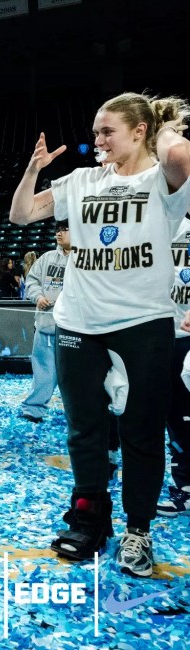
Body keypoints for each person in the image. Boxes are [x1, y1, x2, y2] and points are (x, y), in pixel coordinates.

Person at [9, 91, 190, 578]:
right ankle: (89, 519)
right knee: (84, 430)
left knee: (141, 433)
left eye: (107, 130)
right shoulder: (82, 180)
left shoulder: (163, 180)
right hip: (78, 322)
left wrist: (165, 128)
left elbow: (179, 156)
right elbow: (22, 214)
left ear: (139, 132)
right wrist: (33, 170)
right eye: (94, 131)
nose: (97, 140)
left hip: (144, 323)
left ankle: (139, 529)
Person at [19, 221, 71, 422]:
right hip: (45, 327)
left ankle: (76, 412)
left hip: (73, 328)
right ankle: (34, 410)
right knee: (43, 371)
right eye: (57, 229)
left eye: (64, 229)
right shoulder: (46, 258)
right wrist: (38, 297)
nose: (59, 233)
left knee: (74, 374)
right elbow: (32, 282)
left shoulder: (83, 258)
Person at [158, 212, 190, 516]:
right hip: (161, 336)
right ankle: (184, 487)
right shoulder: (153, 226)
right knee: (175, 417)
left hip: (187, 337)